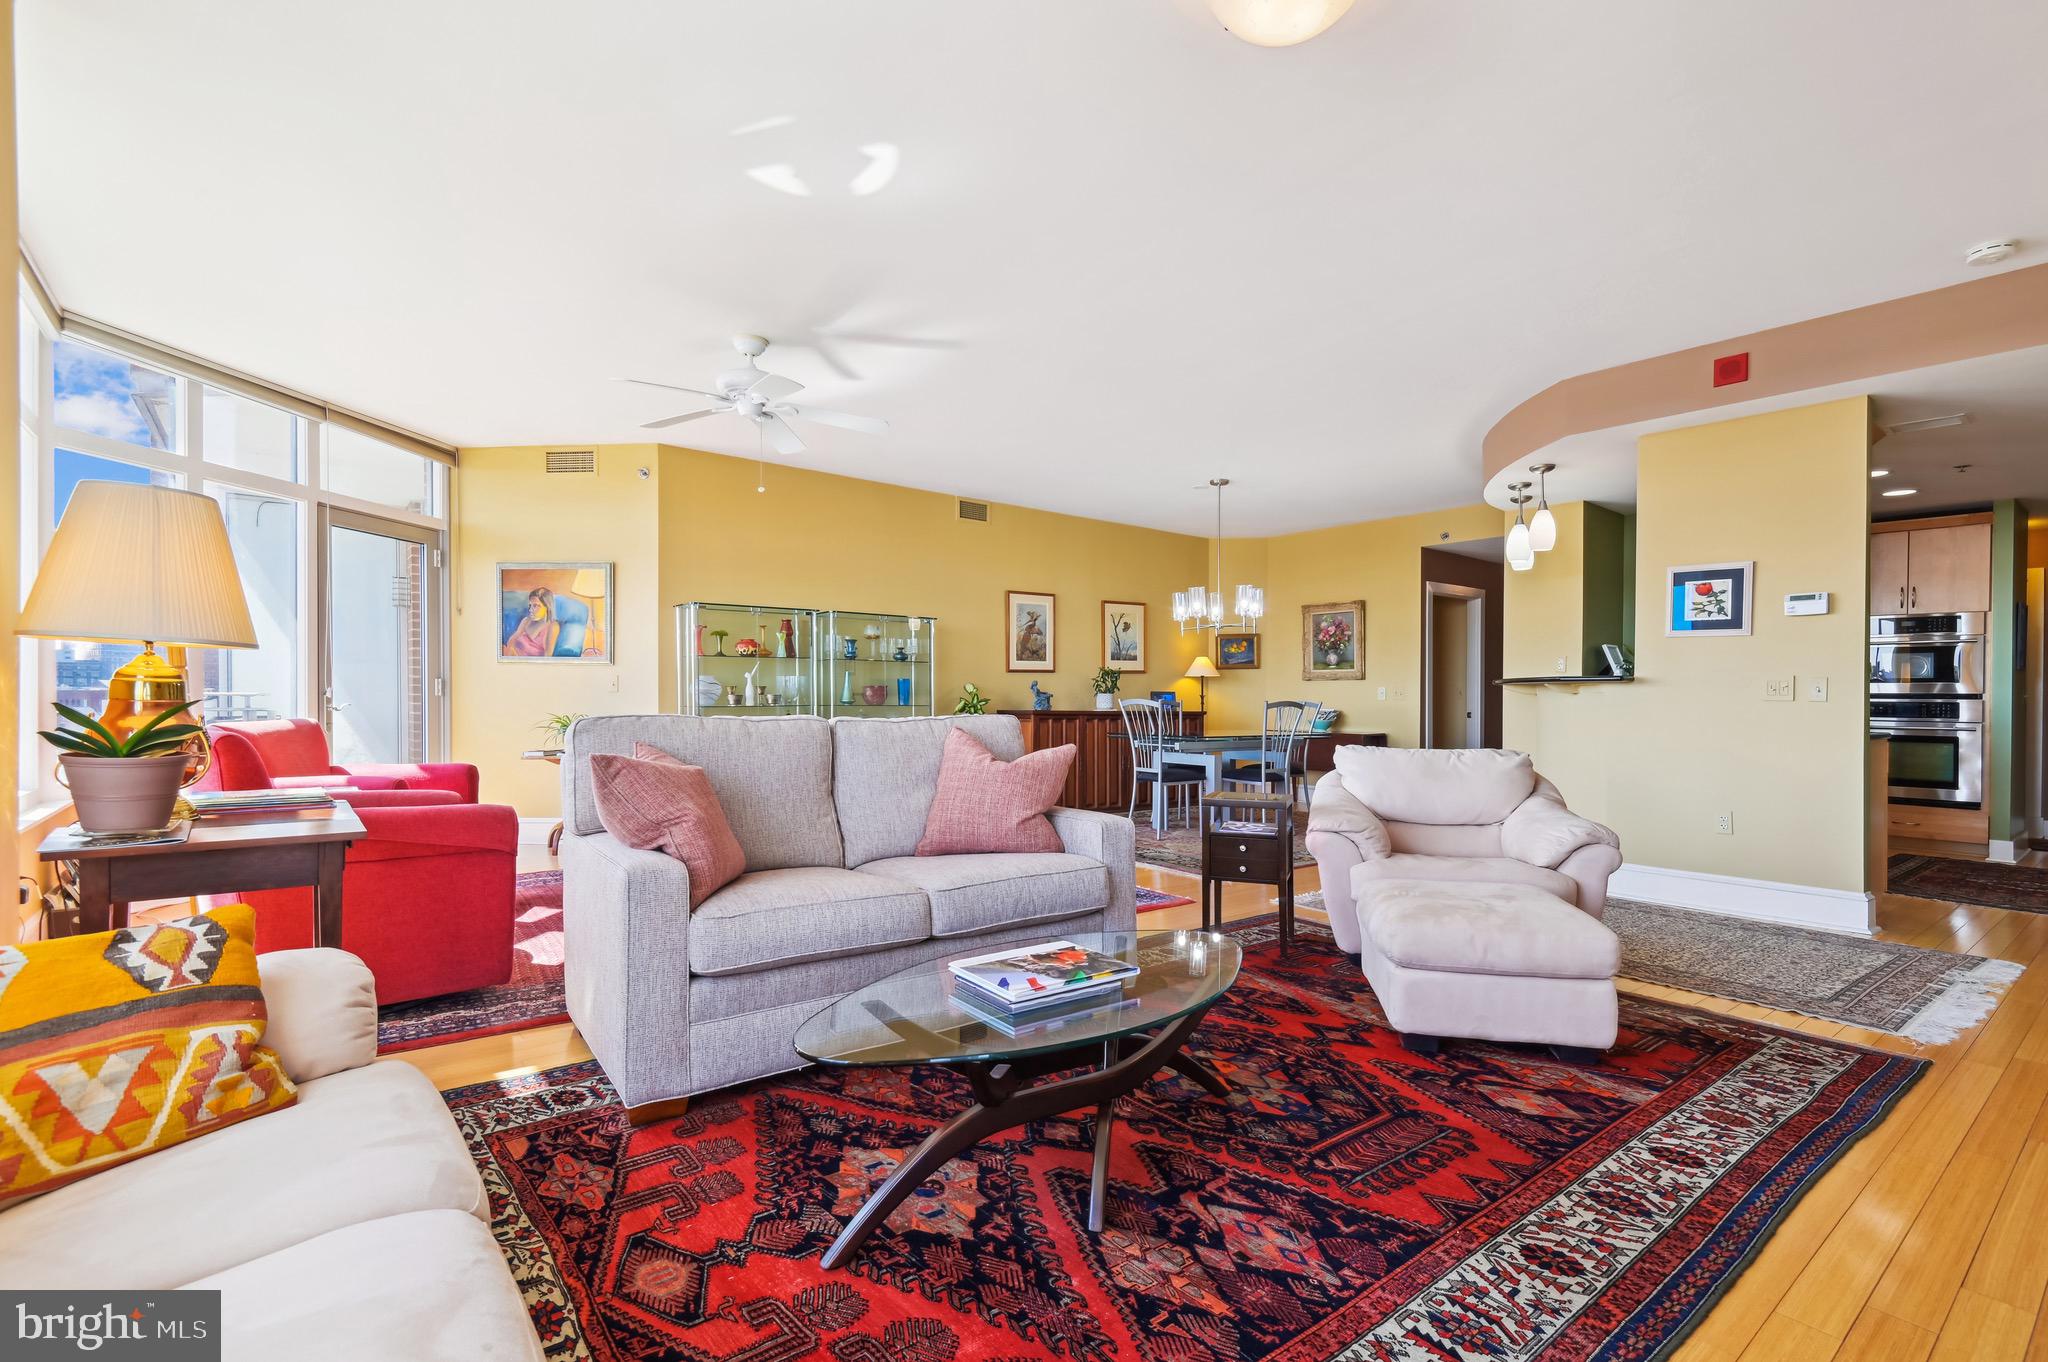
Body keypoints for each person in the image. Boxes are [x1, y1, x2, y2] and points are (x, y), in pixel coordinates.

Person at [506, 587, 561, 658]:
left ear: (547, 606)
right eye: (530, 605)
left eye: (535, 606)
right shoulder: (526, 621)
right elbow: (511, 641)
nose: (530, 610)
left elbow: (547, 656)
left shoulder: (552, 626)